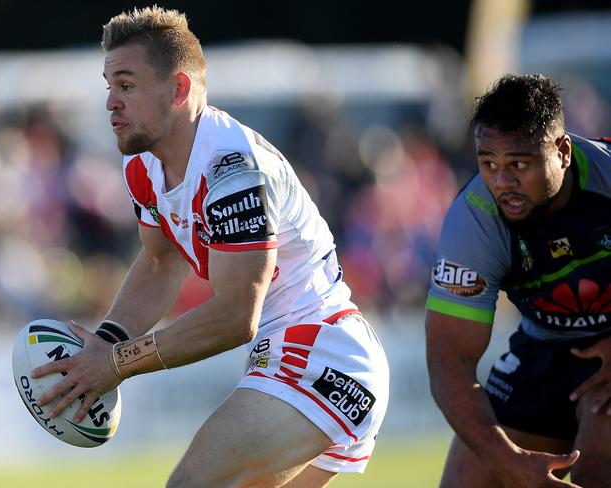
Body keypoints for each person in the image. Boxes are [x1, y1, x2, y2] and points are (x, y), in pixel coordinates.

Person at [30, 6, 389, 487]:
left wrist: (115, 365)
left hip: (321, 353)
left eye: (127, 85)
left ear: (179, 89)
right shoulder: (144, 165)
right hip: (296, 355)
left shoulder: (233, 171)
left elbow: (237, 316)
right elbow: (161, 262)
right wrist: (106, 341)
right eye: (108, 85)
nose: (111, 102)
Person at [425, 73, 611, 487]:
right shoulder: (473, 220)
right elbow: (448, 360)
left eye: (519, 165)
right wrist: (506, 460)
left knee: (598, 459)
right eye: (488, 163)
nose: (501, 182)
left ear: (562, 151)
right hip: (543, 346)